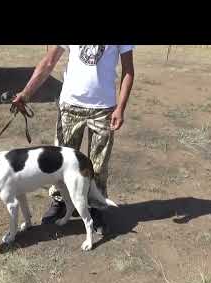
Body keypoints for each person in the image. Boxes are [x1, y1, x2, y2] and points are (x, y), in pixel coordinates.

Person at [12, 45, 134, 234]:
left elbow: (128, 70)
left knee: (98, 166)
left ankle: (96, 208)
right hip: (70, 106)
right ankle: (60, 201)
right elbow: (49, 61)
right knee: (60, 163)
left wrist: (120, 108)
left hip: (104, 109)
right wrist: (26, 93)